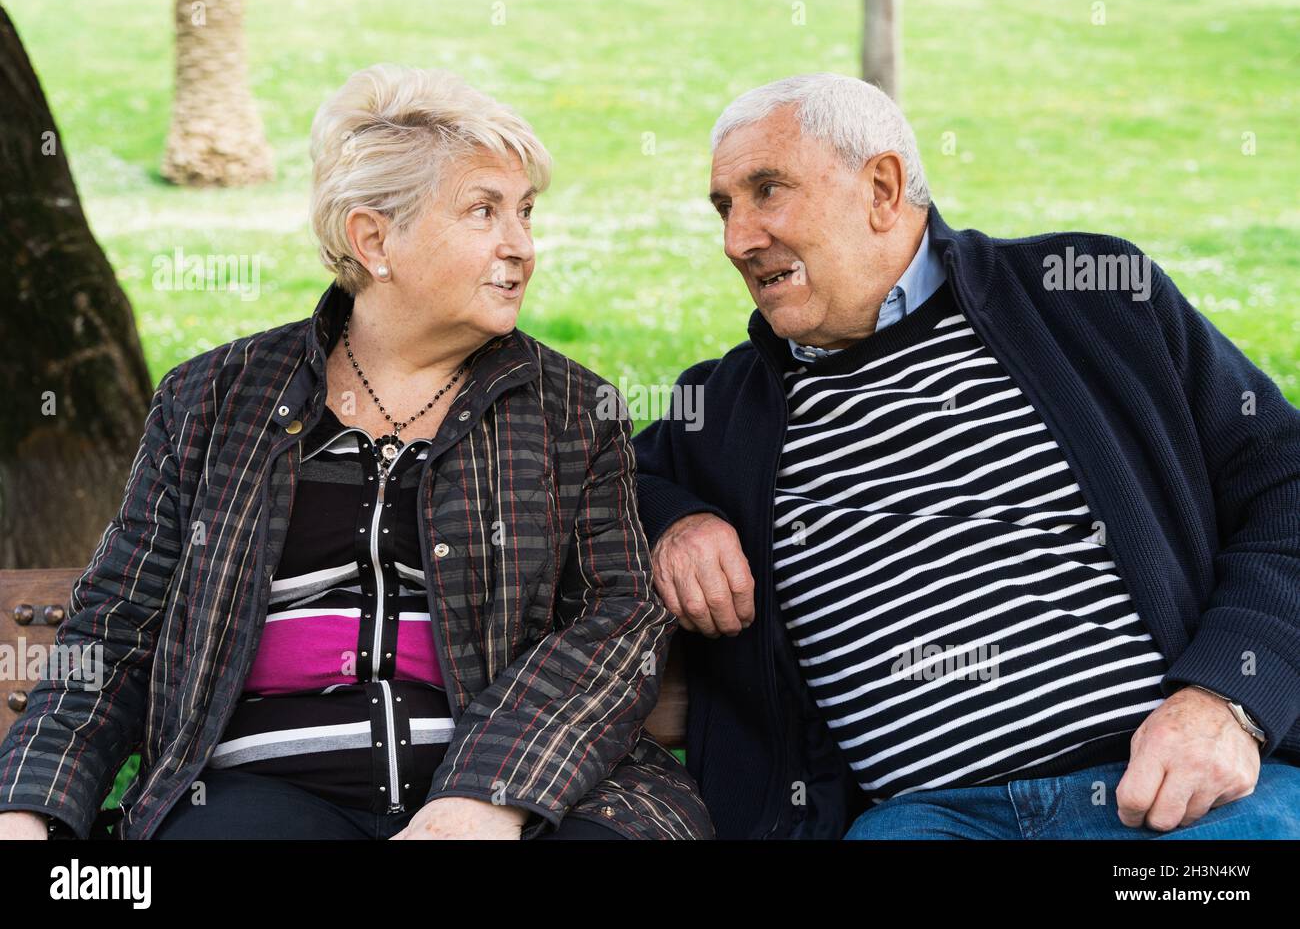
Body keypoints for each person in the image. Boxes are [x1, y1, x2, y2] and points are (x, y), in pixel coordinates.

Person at [0, 64, 713, 841]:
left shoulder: (571, 408)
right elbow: (116, 625)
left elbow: (617, 619)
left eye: (526, 213)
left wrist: (483, 798)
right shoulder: (215, 399)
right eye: (483, 212)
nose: (522, 247)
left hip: (529, 796)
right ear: (373, 238)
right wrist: (28, 807)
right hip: (267, 793)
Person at [632, 72, 1300, 839]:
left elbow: (1287, 484)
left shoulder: (1088, 297)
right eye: (724, 208)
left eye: (767, 191)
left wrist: (1228, 699)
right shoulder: (720, 413)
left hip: (1165, 797)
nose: (737, 239)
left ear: (881, 188)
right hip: (923, 821)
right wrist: (675, 521)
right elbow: (595, 483)